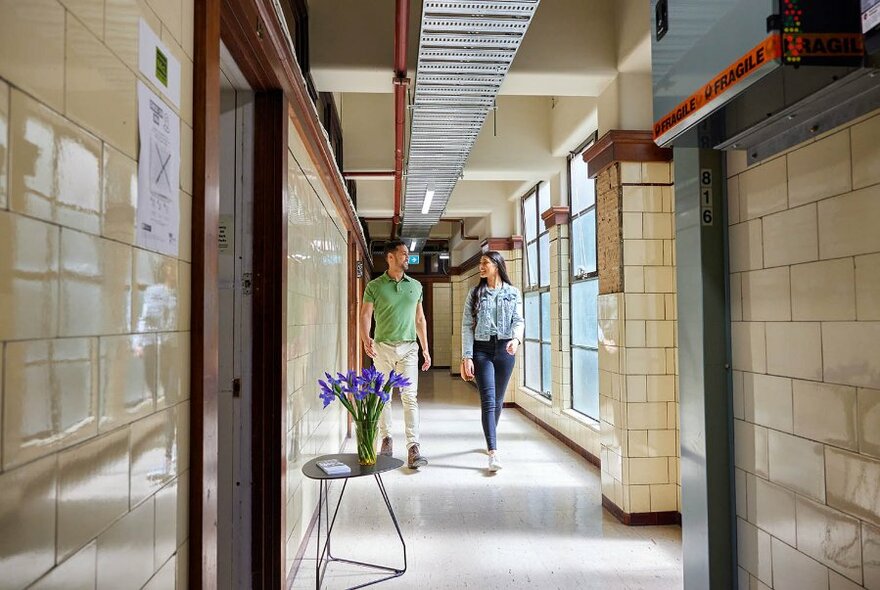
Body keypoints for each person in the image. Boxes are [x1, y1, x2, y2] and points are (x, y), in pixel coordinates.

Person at [360, 240, 431, 469]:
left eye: (407, 253)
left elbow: (420, 319)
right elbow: (365, 315)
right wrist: (365, 337)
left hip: (410, 348)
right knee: (384, 396)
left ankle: (413, 446)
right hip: (382, 349)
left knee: (410, 397)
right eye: (403, 253)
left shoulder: (416, 286)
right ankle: (387, 439)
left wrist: (426, 349)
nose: (407, 257)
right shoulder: (375, 286)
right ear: (390, 257)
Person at [460, 251, 524, 473]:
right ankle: (493, 451)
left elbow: (519, 320)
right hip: (482, 350)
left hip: (506, 349)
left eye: (485, 263)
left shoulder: (513, 293)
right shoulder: (475, 294)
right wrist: (467, 356)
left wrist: (516, 340)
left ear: (497, 266)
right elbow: (467, 326)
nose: (481, 266)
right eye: (480, 263)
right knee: (488, 399)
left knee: (497, 400)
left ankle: (490, 436)